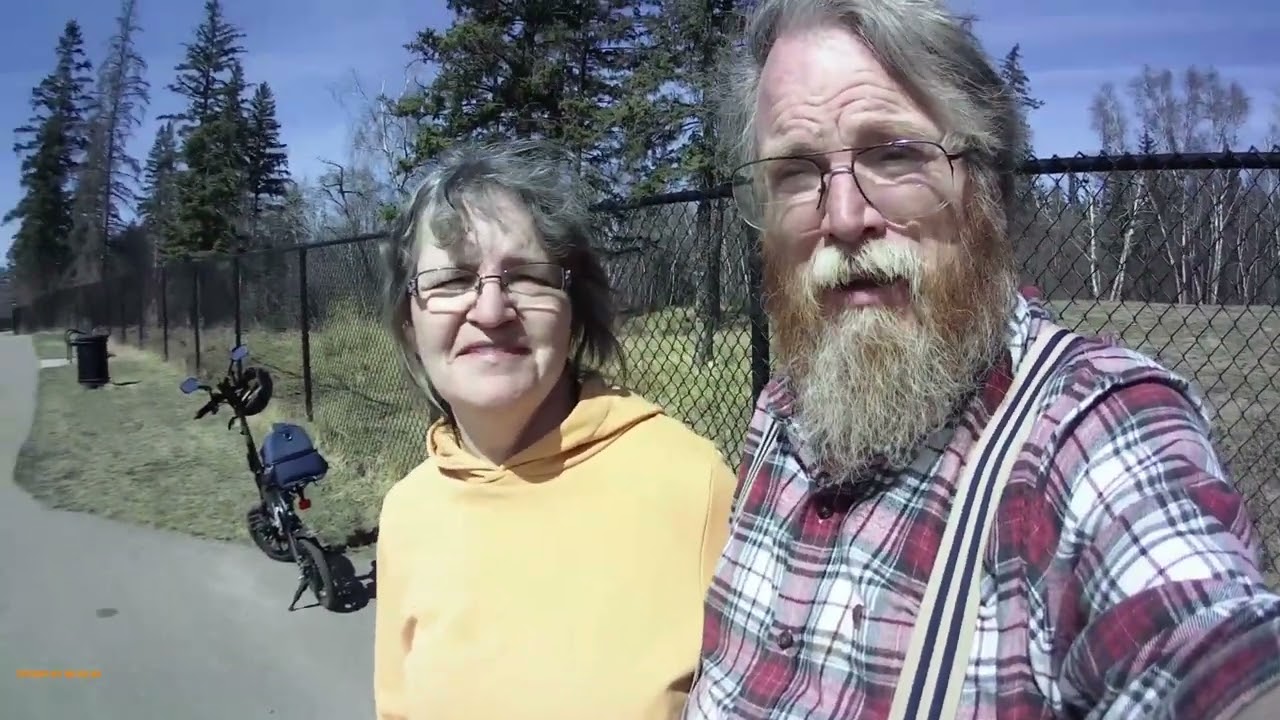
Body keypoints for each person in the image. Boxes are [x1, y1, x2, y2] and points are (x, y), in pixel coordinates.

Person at [682, 1, 1280, 719]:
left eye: (894, 154)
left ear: (987, 186)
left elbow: (1204, 643)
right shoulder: (783, 412)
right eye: (795, 172)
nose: (842, 218)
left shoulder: (1090, 431)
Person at [373, 138, 737, 720]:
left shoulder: (693, 486)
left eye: (526, 278)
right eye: (452, 281)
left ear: (573, 312)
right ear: (410, 323)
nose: (491, 311)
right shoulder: (407, 511)